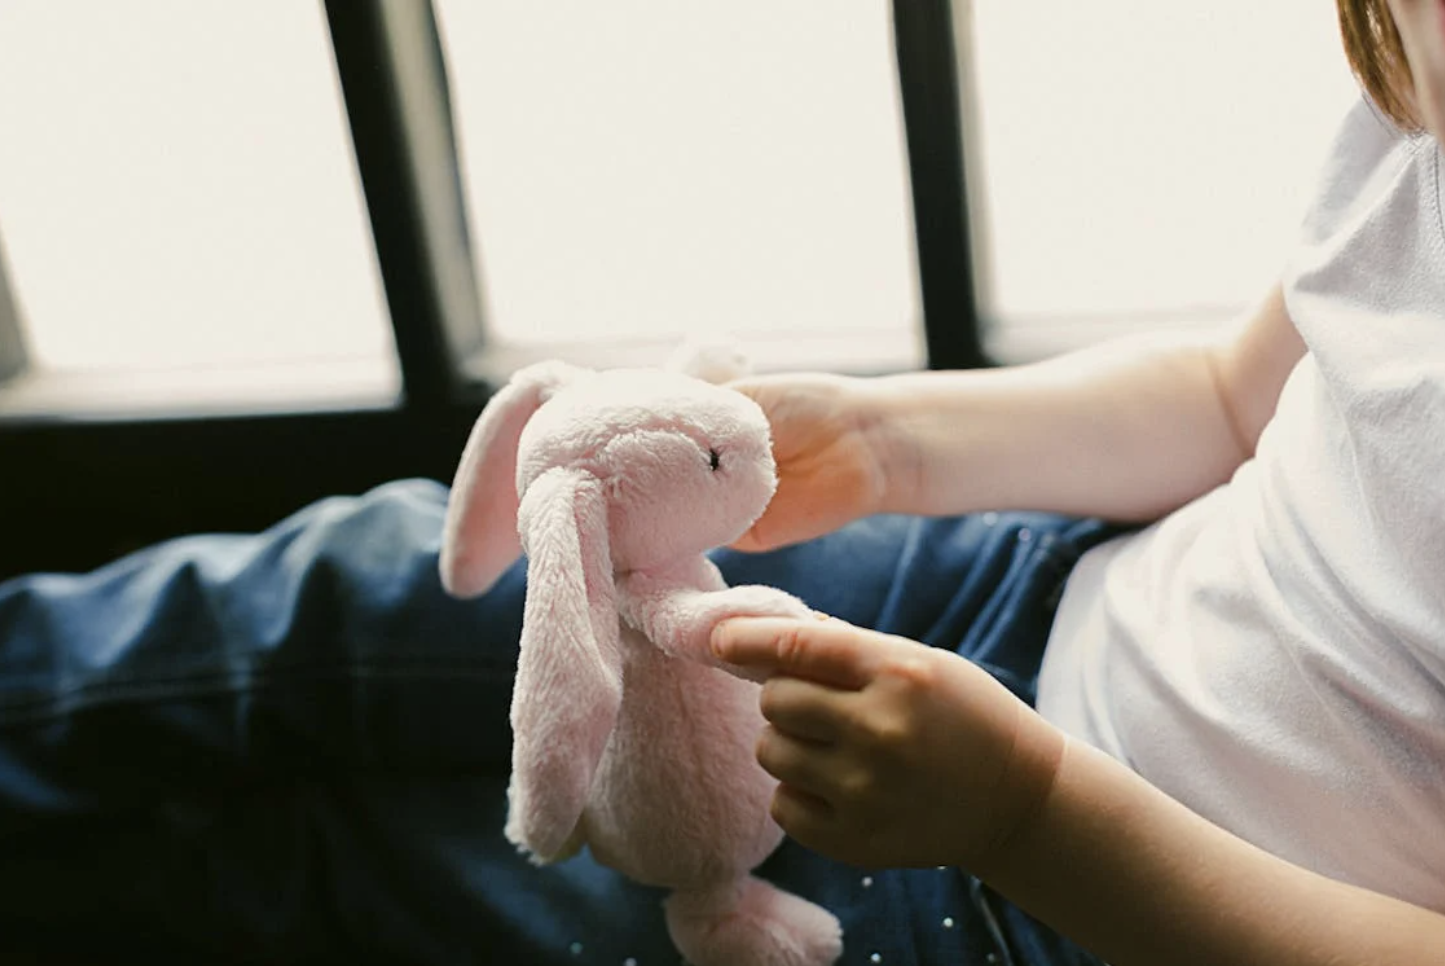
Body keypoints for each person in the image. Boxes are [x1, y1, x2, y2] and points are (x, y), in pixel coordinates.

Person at [0, 0, 1441, 962]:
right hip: (1041, 584)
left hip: (1071, 896)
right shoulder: (1419, 122)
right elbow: (1228, 400)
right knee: (360, 594)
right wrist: (893, 446)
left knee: (381, 881)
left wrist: (1023, 812)